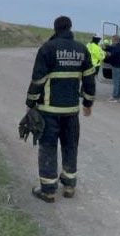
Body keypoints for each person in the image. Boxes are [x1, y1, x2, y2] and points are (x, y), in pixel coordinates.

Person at [25, 16, 96, 203]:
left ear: (55, 29)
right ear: (70, 28)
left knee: (48, 147)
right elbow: (89, 79)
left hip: (48, 111)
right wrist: (88, 104)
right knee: (70, 146)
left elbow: (38, 80)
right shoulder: (82, 49)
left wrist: (30, 103)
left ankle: (48, 190)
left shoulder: (47, 49)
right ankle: (70, 185)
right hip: (72, 112)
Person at [104, 34, 120, 102]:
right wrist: (106, 48)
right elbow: (112, 48)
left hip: (117, 67)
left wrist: (106, 58)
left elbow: (114, 55)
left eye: (112, 40)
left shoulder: (118, 47)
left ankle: (115, 97)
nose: (112, 42)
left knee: (116, 83)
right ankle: (119, 98)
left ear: (115, 40)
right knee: (119, 83)